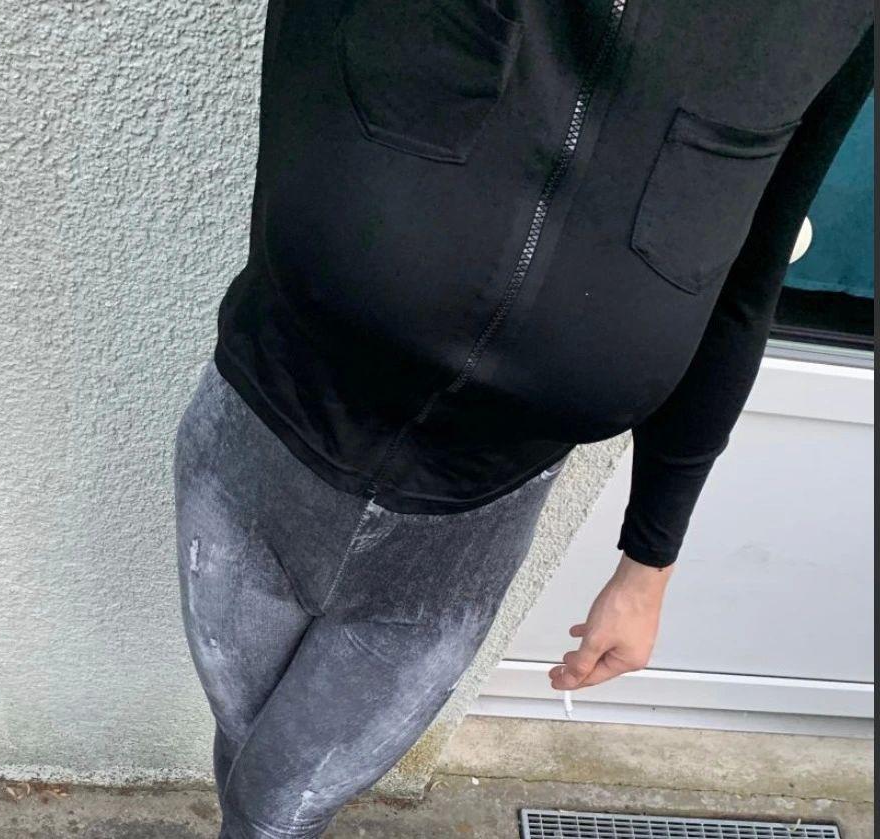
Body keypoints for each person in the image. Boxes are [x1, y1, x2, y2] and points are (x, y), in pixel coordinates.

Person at [173, 1, 875, 836]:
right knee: (251, 764)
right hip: (256, 457)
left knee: (272, 809)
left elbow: (743, 286)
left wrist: (648, 562)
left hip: (460, 538)